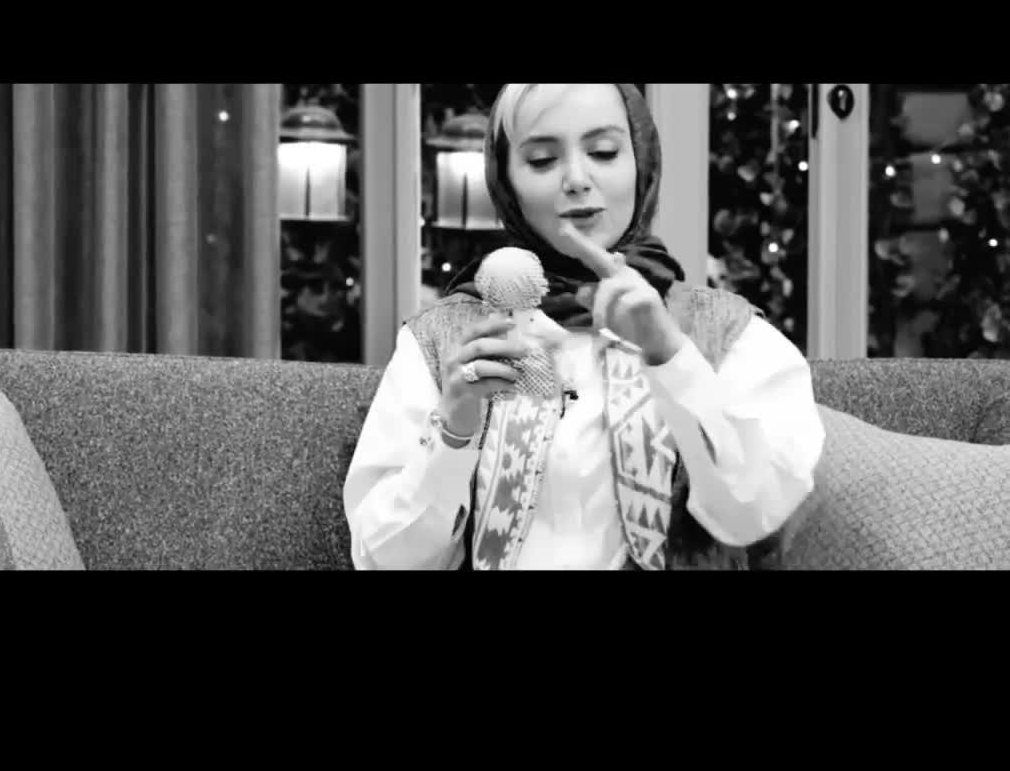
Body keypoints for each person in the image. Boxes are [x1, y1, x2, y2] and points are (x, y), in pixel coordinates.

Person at [344, 83, 825, 570]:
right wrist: (453, 431)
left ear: (641, 163)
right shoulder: (443, 340)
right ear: (506, 182)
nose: (576, 179)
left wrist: (670, 355)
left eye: (604, 152)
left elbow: (754, 513)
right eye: (541, 160)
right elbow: (385, 560)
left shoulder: (727, 333)